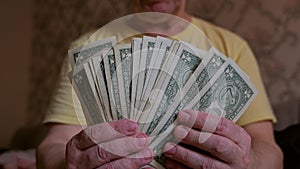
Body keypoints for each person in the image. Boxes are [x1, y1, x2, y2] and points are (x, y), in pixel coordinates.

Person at [37, 0, 283, 168]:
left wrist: (247, 162)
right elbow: (54, 144)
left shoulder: (231, 46)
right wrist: (68, 163)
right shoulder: (87, 49)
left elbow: (270, 152)